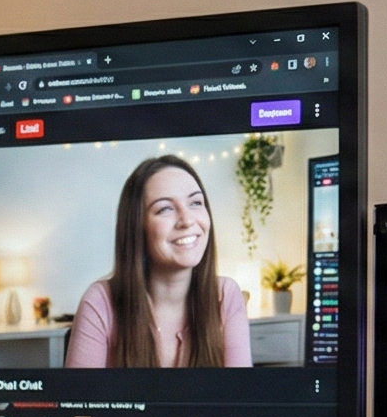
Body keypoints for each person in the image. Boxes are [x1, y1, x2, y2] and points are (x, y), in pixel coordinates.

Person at [65, 153, 252, 368]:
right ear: (137, 228)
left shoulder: (226, 296)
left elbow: (238, 399)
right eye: (165, 208)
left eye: (196, 202)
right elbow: (81, 401)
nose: (188, 220)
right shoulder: (100, 302)